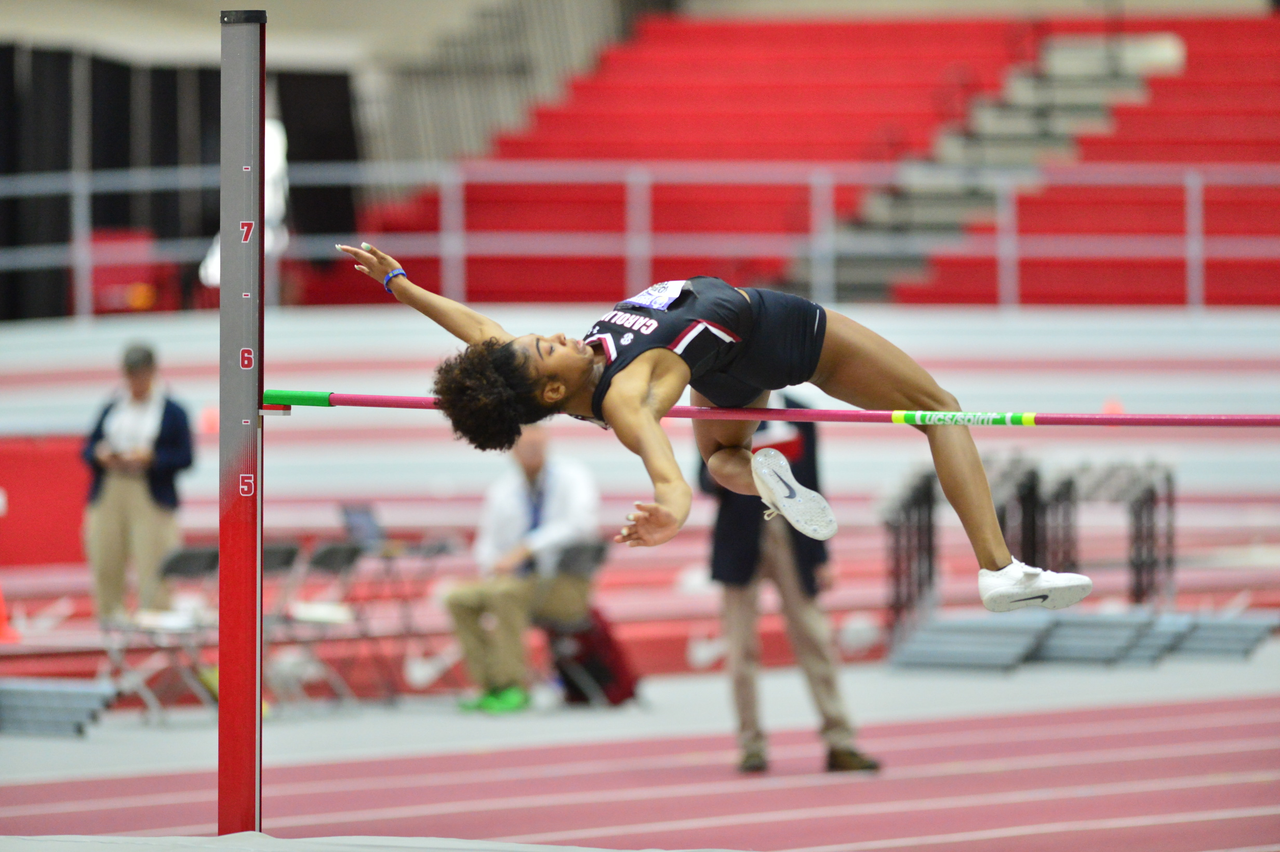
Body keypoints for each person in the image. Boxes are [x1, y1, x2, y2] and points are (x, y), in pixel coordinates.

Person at [337, 242, 1092, 613]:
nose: (553, 334)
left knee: (727, 453)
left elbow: (479, 330)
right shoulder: (627, 397)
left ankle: (759, 472)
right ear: (555, 387)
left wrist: (401, 284)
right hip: (777, 331)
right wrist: (669, 510)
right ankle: (999, 569)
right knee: (940, 408)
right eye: (546, 348)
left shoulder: (568, 378)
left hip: (722, 372)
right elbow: (665, 472)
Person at [700, 395, 878, 774]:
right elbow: (703, 477)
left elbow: (813, 481)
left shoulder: (799, 410)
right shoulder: (724, 407)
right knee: (740, 646)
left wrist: (822, 554)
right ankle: (750, 744)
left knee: (815, 637)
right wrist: (736, 467)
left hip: (794, 536)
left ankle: (840, 739)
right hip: (739, 538)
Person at [445, 423, 601, 713]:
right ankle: (488, 684)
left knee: (505, 594)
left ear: (547, 441)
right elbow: (487, 544)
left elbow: (581, 525)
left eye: (536, 441)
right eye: (523, 442)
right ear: (510, 448)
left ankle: (512, 685)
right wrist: (491, 567)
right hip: (517, 582)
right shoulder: (502, 490)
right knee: (458, 598)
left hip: (563, 585)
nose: (531, 447)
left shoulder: (573, 476)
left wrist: (527, 548)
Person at [82, 343, 194, 622]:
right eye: (131, 375)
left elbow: (185, 457)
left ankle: (157, 618)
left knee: (154, 561)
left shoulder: (172, 411)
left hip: (150, 491)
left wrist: (153, 458)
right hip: (110, 488)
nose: (136, 381)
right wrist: (101, 455)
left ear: (153, 373)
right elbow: (88, 448)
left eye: (141, 374)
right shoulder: (112, 406)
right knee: (106, 557)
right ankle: (110, 617)